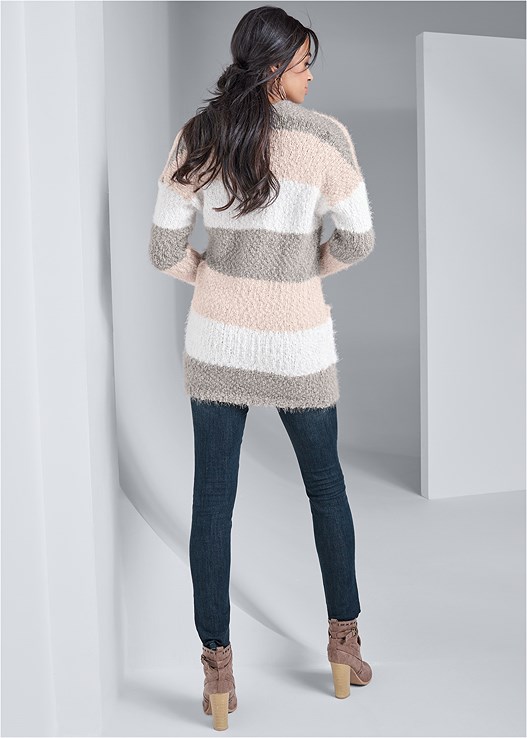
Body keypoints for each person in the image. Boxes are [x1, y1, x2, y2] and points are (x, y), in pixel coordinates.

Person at [148, 5, 375, 730]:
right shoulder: (325, 137)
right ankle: (344, 644)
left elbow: (163, 250)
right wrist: (301, 271)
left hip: (217, 341)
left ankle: (217, 672)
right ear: (275, 70)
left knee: (213, 503)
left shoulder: (198, 135)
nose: (312, 77)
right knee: (326, 489)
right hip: (298, 343)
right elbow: (359, 241)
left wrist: (217, 280)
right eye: (305, 65)